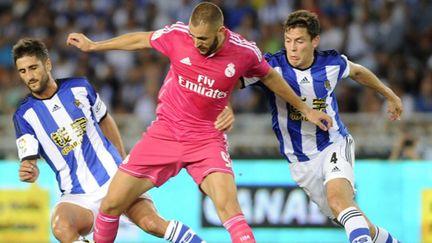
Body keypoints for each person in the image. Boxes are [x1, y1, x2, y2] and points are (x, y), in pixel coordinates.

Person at [66, 2, 333, 243]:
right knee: (111, 205)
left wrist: (305, 109)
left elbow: (270, 78)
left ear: (220, 31)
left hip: (207, 139)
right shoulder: (178, 36)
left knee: (230, 211)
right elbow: (141, 39)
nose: (196, 43)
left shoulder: (243, 51)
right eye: (193, 37)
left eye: (203, 38)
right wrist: (95, 45)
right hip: (165, 133)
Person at [12, 38, 208, 243]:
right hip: (78, 196)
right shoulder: (24, 116)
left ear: (48, 64)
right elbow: (29, 161)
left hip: (115, 180)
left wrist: (123, 163)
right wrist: (30, 172)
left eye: (33, 68)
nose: (29, 76)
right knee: (60, 226)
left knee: (152, 224)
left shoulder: (79, 87)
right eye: (23, 71)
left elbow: (105, 119)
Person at [242, 10, 402, 243]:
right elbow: (232, 79)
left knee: (339, 201)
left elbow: (357, 71)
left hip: (332, 144)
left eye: (299, 41)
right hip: (301, 162)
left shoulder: (331, 63)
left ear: (314, 41)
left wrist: (390, 95)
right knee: (353, 218)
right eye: (288, 41)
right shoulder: (270, 67)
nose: (292, 48)